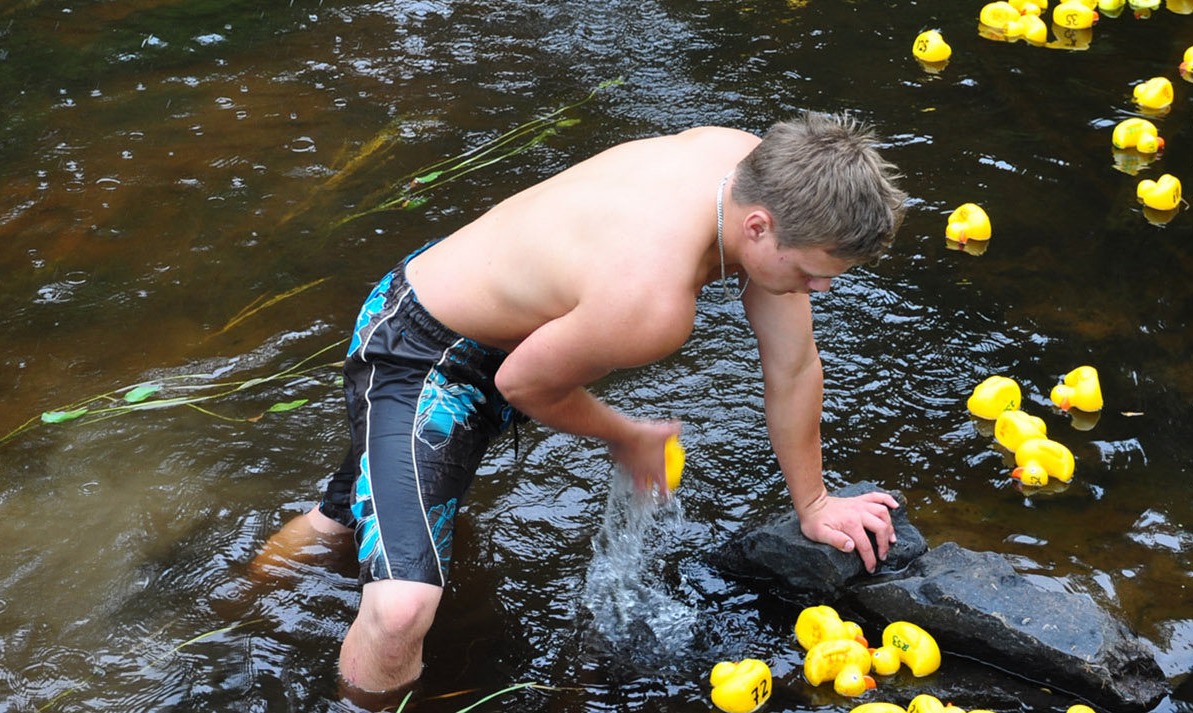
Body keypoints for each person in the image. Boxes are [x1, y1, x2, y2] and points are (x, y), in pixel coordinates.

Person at [251, 111, 908, 700]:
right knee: (401, 608)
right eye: (813, 270)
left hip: (499, 323)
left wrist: (816, 503)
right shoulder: (652, 300)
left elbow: (793, 367)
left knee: (341, 523)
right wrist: (626, 435)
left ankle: (236, 605)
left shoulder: (752, 169)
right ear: (759, 227)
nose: (819, 287)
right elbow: (523, 385)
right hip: (423, 353)